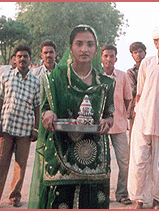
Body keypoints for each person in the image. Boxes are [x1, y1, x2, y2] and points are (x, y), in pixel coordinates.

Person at [27, 24, 115, 209]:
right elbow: (45, 108)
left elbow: (109, 115)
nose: (85, 49)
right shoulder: (54, 79)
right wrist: (48, 114)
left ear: (96, 49)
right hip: (61, 152)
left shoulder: (106, 83)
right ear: (70, 48)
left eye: (90, 44)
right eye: (79, 43)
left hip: (95, 157)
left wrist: (107, 122)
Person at [128, 24, 159, 209]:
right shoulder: (147, 64)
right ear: (156, 43)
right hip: (143, 119)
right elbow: (140, 92)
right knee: (139, 162)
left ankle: (158, 201)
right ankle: (138, 200)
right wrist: (136, 115)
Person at [0, 45, 40, 209]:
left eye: (25, 56)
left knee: (20, 165)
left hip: (25, 130)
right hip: (6, 128)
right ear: (15, 59)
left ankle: (14, 197)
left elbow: (37, 106)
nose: (22, 59)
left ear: (30, 59)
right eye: (19, 56)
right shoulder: (7, 76)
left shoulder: (35, 81)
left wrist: (36, 128)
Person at [101, 44, 133, 205]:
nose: (108, 59)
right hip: (100, 127)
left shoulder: (121, 76)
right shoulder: (96, 76)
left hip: (119, 125)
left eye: (111, 56)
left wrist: (121, 114)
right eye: (106, 56)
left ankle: (122, 193)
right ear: (101, 58)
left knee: (124, 162)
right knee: (102, 163)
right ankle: (102, 194)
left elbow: (128, 98)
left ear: (116, 58)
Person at [126, 42, 146, 141]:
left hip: (149, 106)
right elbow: (132, 90)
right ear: (132, 55)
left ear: (145, 53)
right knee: (134, 136)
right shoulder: (131, 72)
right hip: (135, 106)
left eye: (140, 52)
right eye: (135, 52)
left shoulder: (150, 69)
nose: (138, 54)